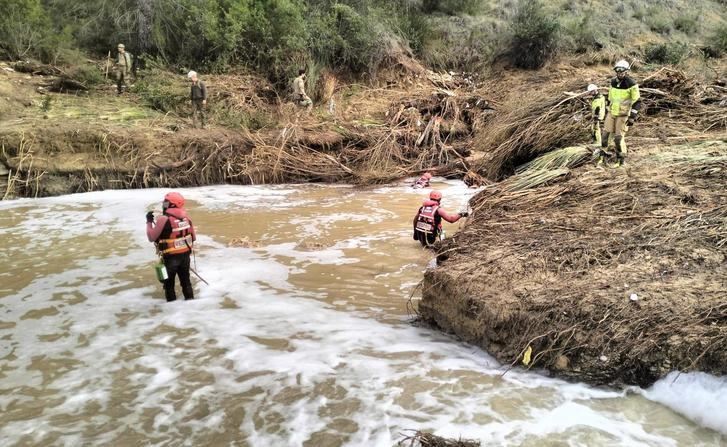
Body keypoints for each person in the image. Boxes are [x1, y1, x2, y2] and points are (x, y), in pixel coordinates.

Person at [146, 192, 197, 302]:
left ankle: (171, 309)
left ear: (172, 205)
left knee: (169, 286)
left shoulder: (163, 219)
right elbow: (193, 237)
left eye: (166, 202)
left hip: (170, 258)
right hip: (185, 257)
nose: (164, 204)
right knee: (186, 283)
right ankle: (190, 302)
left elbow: (151, 237)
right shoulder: (187, 218)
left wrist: (149, 222)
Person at [600, 60, 642, 167]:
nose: (620, 73)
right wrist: (605, 110)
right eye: (618, 71)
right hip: (612, 113)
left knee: (618, 138)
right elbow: (609, 98)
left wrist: (632, 117)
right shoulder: (613, 82)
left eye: (622, 71)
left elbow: (637, 101)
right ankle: (603, 157)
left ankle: (621, 160)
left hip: (623, 115)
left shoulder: (631, 84)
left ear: (626, 71)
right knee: (604, 136)